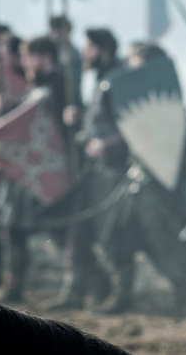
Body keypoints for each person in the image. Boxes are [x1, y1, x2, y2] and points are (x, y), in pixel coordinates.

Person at [100, 41, 186, 314]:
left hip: (167, 180)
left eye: (137, 64)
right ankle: (124, 294)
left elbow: (179, 150)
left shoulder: (168, 104)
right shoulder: (134, 93)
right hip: (138, 176)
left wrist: (174, 179)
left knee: (182, 235)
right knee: (121, 233)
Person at [0, 36, 65, 302]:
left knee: (56, 231)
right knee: (8, 226)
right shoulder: (37, 86)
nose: (24, 63)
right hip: (27, 171)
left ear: (44, 57)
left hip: (45, 171)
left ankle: (92, 283)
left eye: (29, 57)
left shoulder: (58, 85)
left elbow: (45, 130)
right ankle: (0, 281)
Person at [49, 28, 123, 310]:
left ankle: (120, 292)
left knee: (115, 233)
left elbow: (133, 127)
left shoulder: (119, 79)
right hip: (96, 171)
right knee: (77, 230)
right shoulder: (101, 80)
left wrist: (108, 145)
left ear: (104, 49)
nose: (83, 53)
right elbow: (98, 125)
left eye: (88, 47)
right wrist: (80, 120)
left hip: (117, 172)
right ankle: (78, 289)